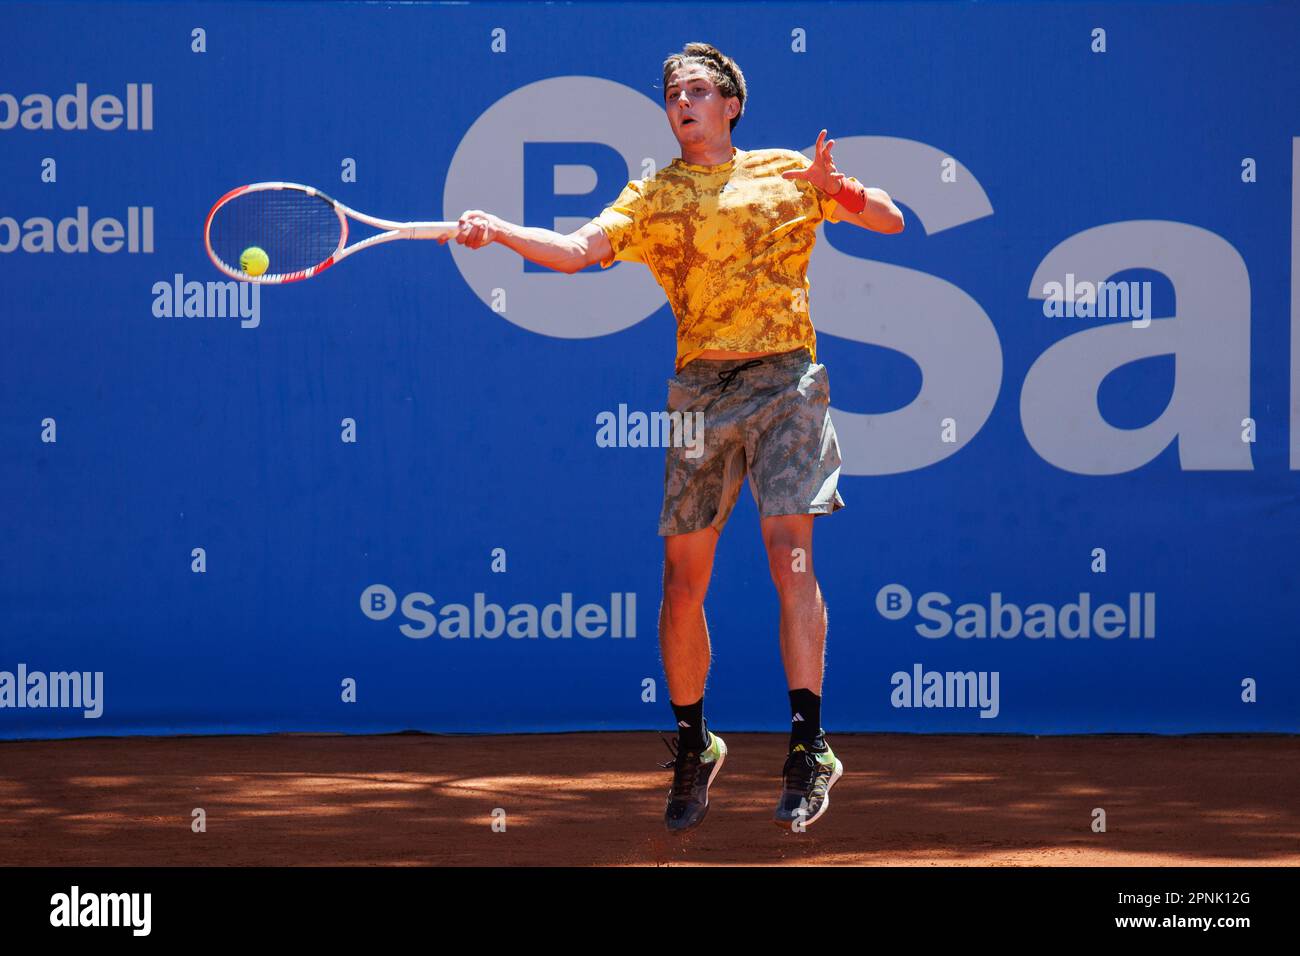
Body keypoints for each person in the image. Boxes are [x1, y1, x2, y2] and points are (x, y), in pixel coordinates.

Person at [441, 41, 904, 832]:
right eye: (671, 93)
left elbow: (892, 220)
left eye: (697, 90)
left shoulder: (790, 172)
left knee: (789, 556)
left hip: (787, 379)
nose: (681, 102)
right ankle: (695, 744)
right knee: (682, 582)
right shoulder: (653, 192)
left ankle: (808, 745)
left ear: (730, 105)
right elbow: (579, 252)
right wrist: (503, 232)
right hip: (700, 392)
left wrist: (843, 189)